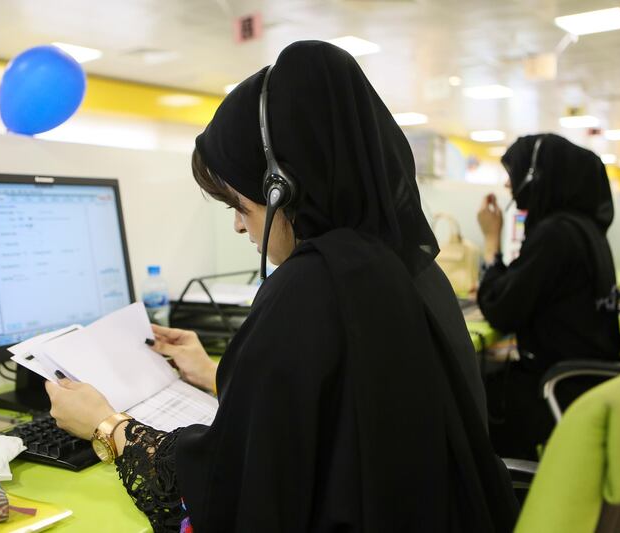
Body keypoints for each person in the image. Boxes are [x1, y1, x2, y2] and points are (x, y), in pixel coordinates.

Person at [46, 41, 518, 532]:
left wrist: (107, 426)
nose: (238, 226)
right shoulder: (405, 265)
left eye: (239, 205)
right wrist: (215, 373)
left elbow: (229, 490)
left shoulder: (310, 287)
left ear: (282, 189)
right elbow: (340, 411)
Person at [476, 133, 620, 459]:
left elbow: (501, 309)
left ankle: (501, 503)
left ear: (536, 176)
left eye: (513, 175)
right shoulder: (585, 229)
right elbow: (520, 289)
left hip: (557, 387)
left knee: (468, 393)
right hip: (586, 381)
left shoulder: (555, 235)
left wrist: (490, 242)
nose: (509, 186)